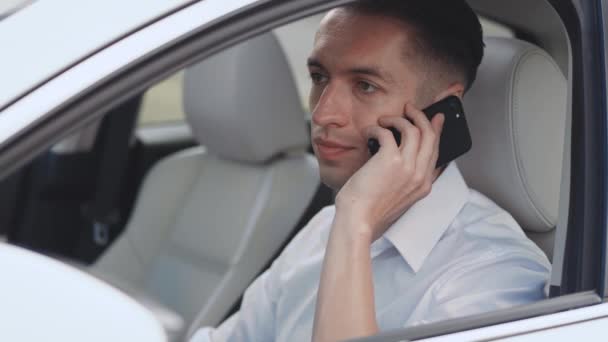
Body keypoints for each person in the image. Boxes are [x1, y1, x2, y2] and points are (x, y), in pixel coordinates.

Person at [191, 1, 550, 341]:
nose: (322, 113)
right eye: (319, 77)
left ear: (441, 110)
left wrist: (356, 225)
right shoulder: (323, 229)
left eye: (365, 85)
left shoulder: (497, 277)